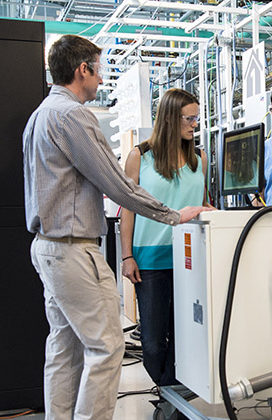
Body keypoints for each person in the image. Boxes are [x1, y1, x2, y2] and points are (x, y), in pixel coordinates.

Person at [23, 35, 211, 420]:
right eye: (98, 68)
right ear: (82, 70)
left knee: (63, 349)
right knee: (106, 346)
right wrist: (172, 215)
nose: (101, 77)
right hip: (72, 248)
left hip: (48, 246)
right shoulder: (72, 115)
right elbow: (117, 186)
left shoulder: (39, 116)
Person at [120, 88, 209, 388]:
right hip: (150, 259)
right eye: (189, 118)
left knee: (186, 333)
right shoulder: (140, 156)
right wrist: (126, 256)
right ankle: (167, 387)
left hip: (191, 258)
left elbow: (203, 203)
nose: (194, 124)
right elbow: (128, 210)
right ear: (171, 118)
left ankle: (174, 395)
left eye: (197, 118)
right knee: (154, 342)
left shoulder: (199, 157)